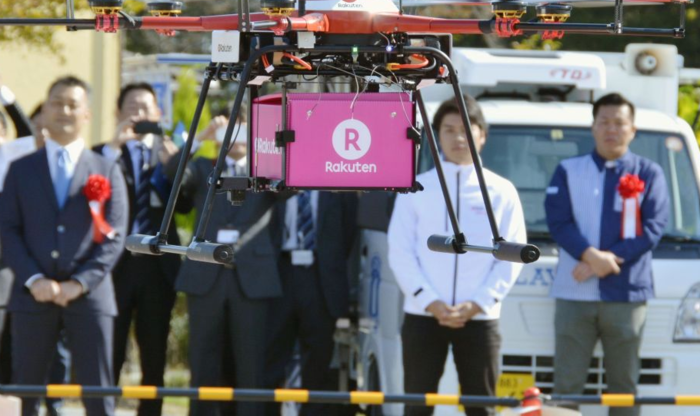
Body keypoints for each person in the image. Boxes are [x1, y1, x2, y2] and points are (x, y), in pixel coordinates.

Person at [387, 95, 526, 416]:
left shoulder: (502, 191)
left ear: (482, 135)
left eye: (467, 129)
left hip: (480, 317)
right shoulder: (416, 188)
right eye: (449, 130)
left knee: (482, 406)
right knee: (417, 407)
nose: (458, 138)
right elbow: (401, 251)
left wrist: (479, 302)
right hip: (423, 314)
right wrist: (429, 300)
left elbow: (513, 255)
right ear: (437, 136)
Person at [0, 76, 128, 416]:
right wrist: (33, 279)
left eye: (73, 104)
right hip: (31, 296)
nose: (64, 111)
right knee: (25, 393)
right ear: (44, 110)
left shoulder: (106, 170)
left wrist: (80, 282)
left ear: (86, 113)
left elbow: (113, 238)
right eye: (56, 103)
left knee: (98, 394)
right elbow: (7, 230)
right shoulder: (20, 170)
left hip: (90, 296)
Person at [544, 92, 669, 416]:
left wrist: (605, 261)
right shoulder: (568, 170)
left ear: (632, 129)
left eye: (619, 123)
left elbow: (654, 227)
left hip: (627, 295)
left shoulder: (650, 173)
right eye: (604, 122)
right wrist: (590, 256)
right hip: (574, 293)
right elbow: (558, 222)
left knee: (624, 386)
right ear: (593, 127)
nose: (611, 129)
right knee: (567, 384)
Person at [165, 113, 282, 416]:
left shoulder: (266, 171)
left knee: (251, 364)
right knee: (203, 361)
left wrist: (268, 140)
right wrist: (201, 138)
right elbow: (171, 173)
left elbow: (294, 181)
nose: (237, 139)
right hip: (205, 277)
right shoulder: (205, 168)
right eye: (230, 131)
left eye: (243, 131)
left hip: (253, 279)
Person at [95, 82, 179, 416]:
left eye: (146, 107)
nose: (139, 114)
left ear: (158, 113)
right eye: (132, 106)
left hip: (157, 267)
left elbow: (186, 205)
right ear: (118, 112)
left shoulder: (169, 155)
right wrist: (115, 147)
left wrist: (174, 167)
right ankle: (103, 409)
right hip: (114, 266)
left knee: (154, 353)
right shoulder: (103, 152)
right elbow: (91, 195)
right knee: (109, 350)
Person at [264, 184, 358, 416]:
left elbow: (348, 233)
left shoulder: (338, 186)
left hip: (320, 279)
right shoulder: (274, 180)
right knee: (270, 357)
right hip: (279, 274)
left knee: (318, 359)